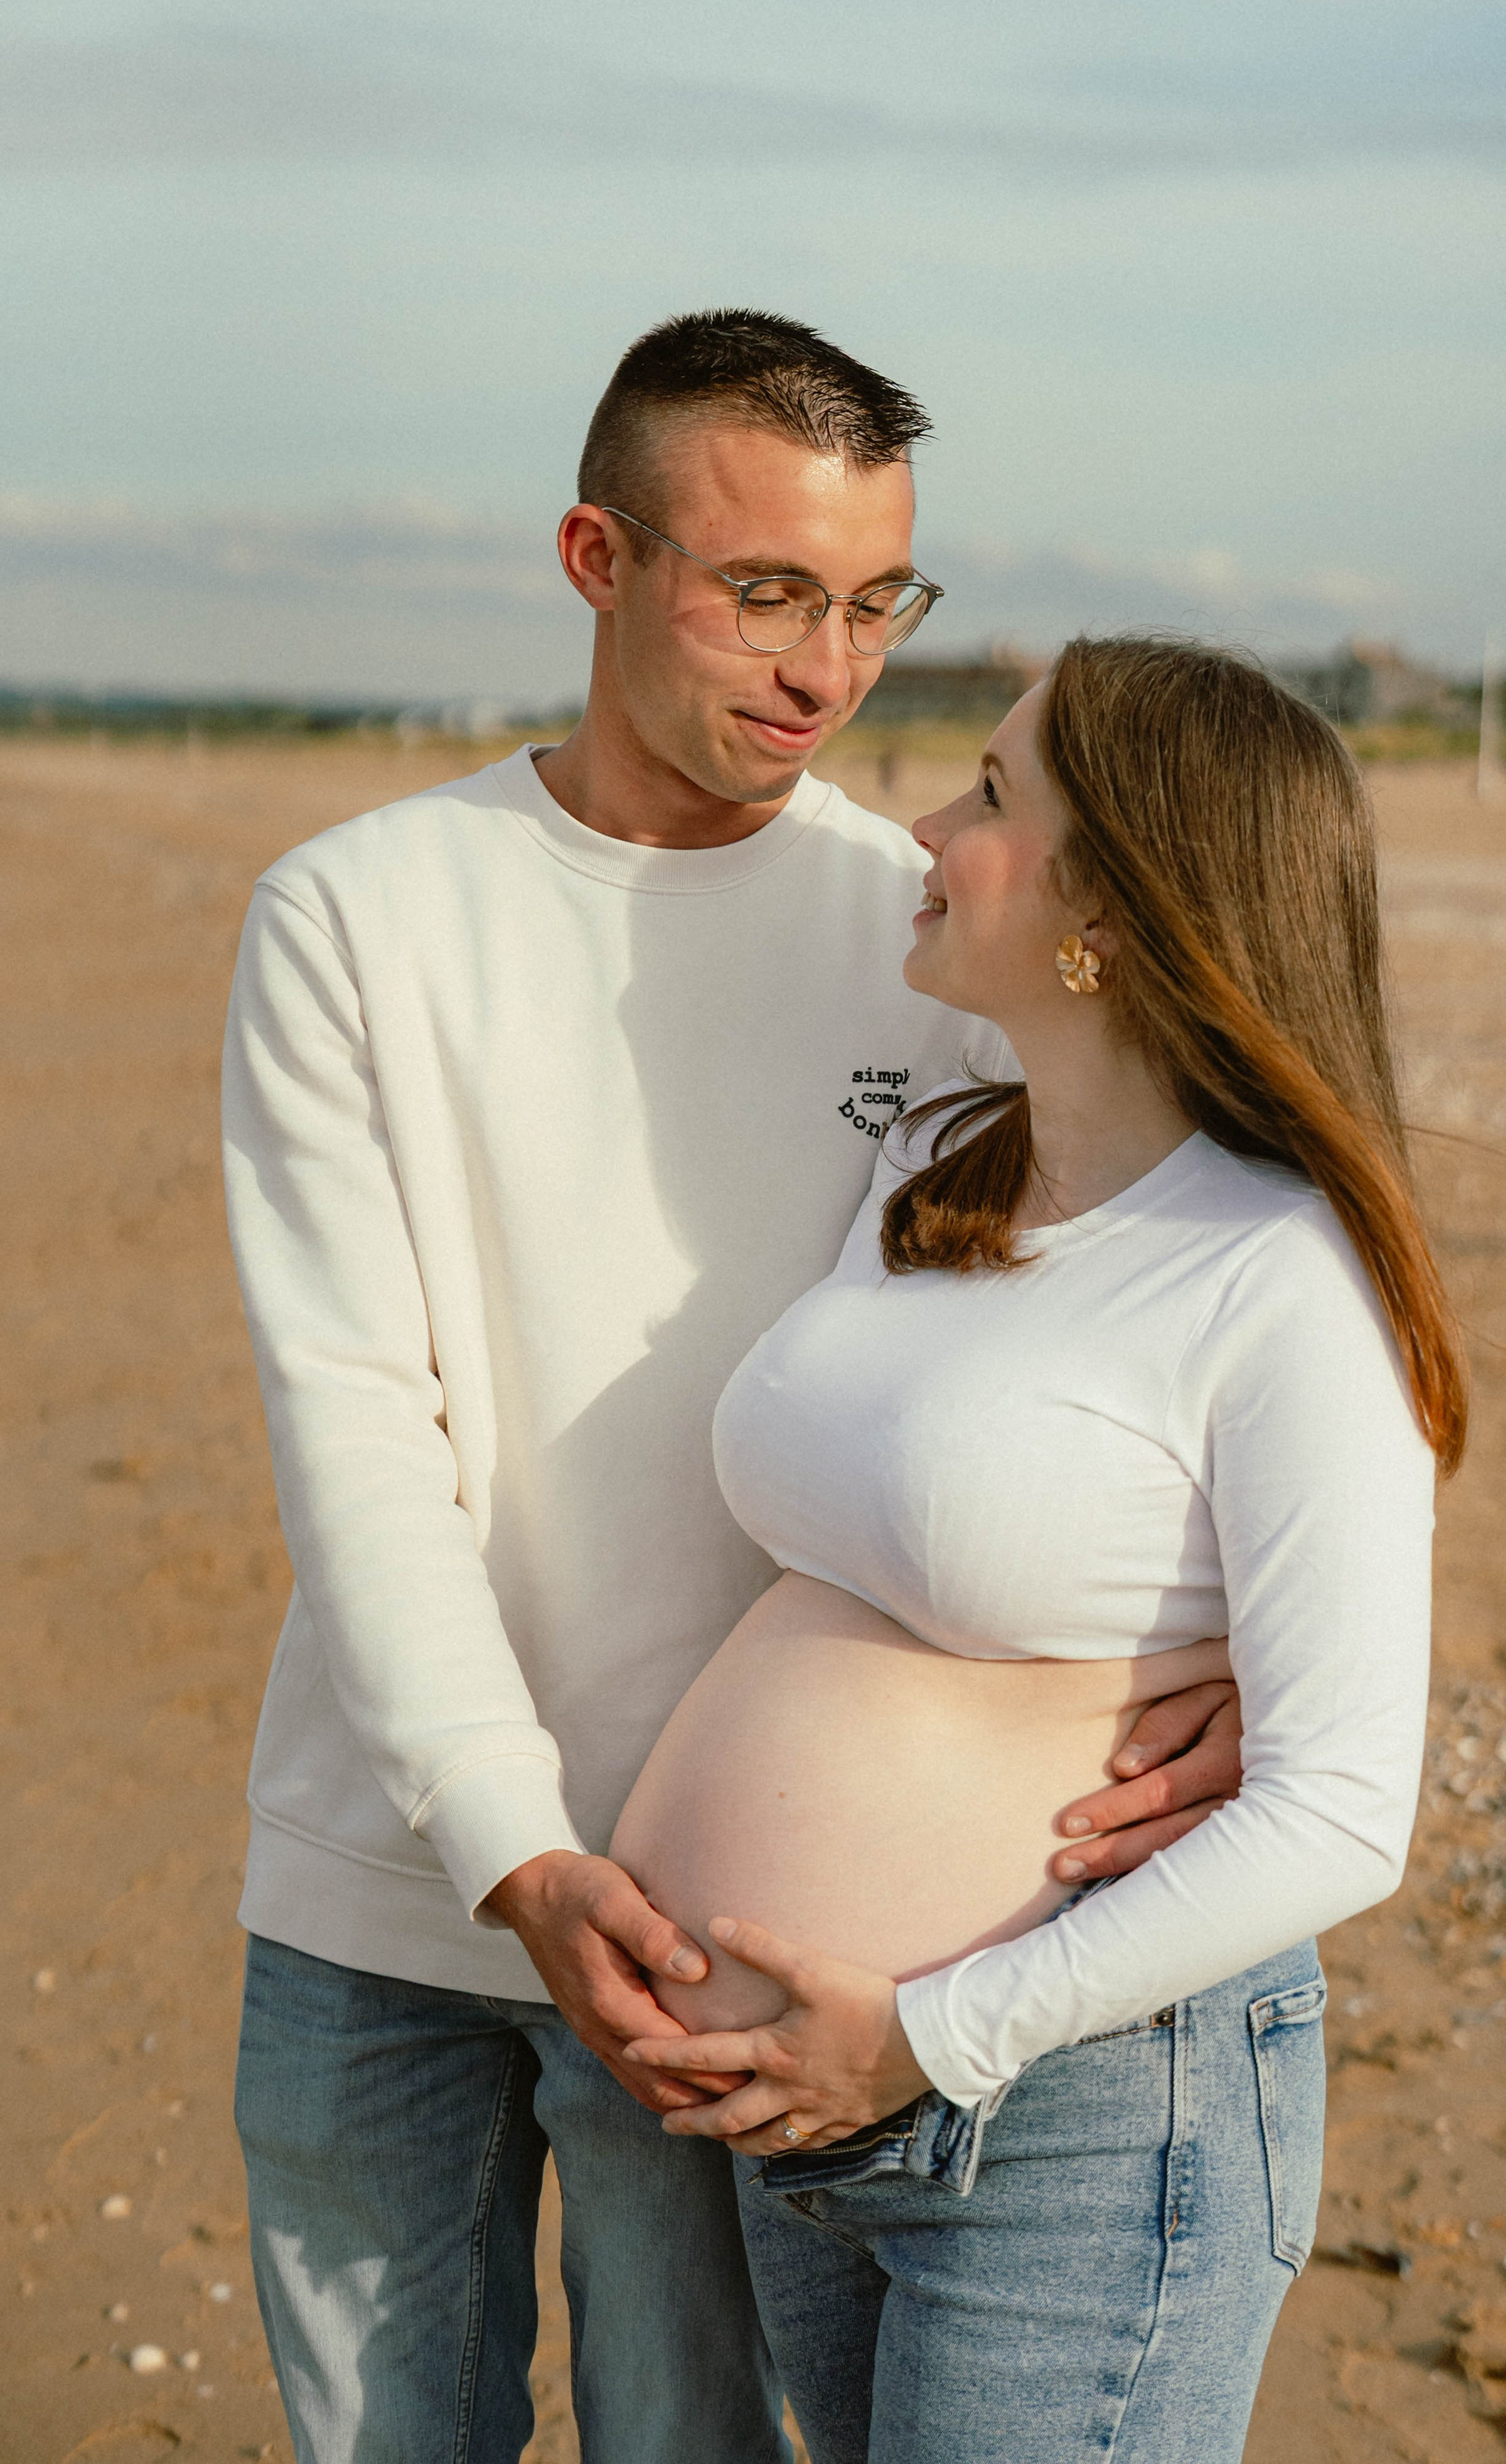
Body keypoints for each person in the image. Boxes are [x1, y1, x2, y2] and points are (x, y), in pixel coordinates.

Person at [221, 312, 1244, 2464]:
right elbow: (355, 1429)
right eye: (764, 590)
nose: (830, 670)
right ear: (598, 556)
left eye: (878, 603)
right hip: (389, 1881)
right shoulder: (355, 918)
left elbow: (1157, 1305)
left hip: (734, 1933)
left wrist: (1224, 1632)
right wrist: (510, 1846)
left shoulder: (927, 933)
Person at [614, 635, 1467, 2464]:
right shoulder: (940, 1147)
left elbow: (1342, 1809)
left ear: (1119, 905)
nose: (928, 820)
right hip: (822, 2120)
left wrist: (935, 2032)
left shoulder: (1284, 1276)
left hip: (1071, 2116)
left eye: (993, 795)